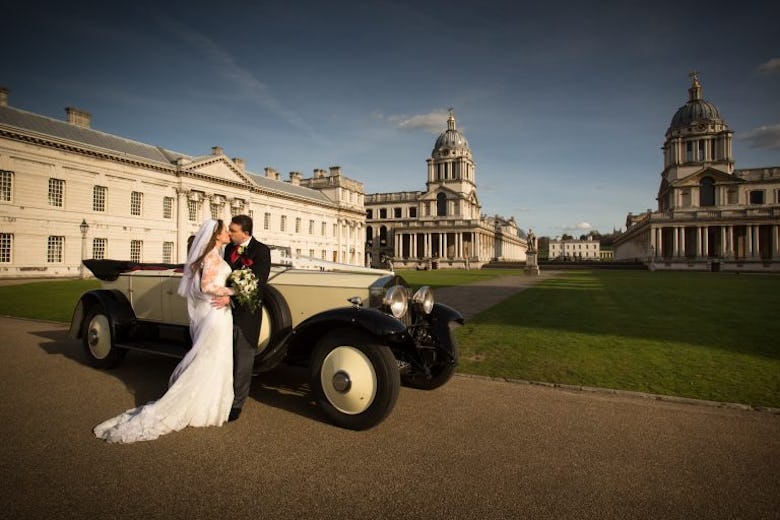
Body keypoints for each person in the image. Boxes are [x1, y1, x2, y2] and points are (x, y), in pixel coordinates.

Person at [93, 219, 235, 443]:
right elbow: (206, 287)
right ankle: (197, 406)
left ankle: (209, 404)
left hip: (217, 312)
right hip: (216, 313)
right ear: (216, 235)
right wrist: (233, 290)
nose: (228, 233)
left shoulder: (214, 256)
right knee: (210, 358)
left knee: (216, 359)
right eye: (225, 230)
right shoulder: (211, 257)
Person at [212, 214, 271, 422]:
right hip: (223, 313)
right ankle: (223, 396)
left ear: (245, 233)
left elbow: (258, 284)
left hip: (246, 315)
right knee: (225, 356)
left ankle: (237, 404)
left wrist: (230, 296)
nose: (229, 232)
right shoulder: (228, 249)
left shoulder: (261, 251)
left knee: (243, 360)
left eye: (233, 230)